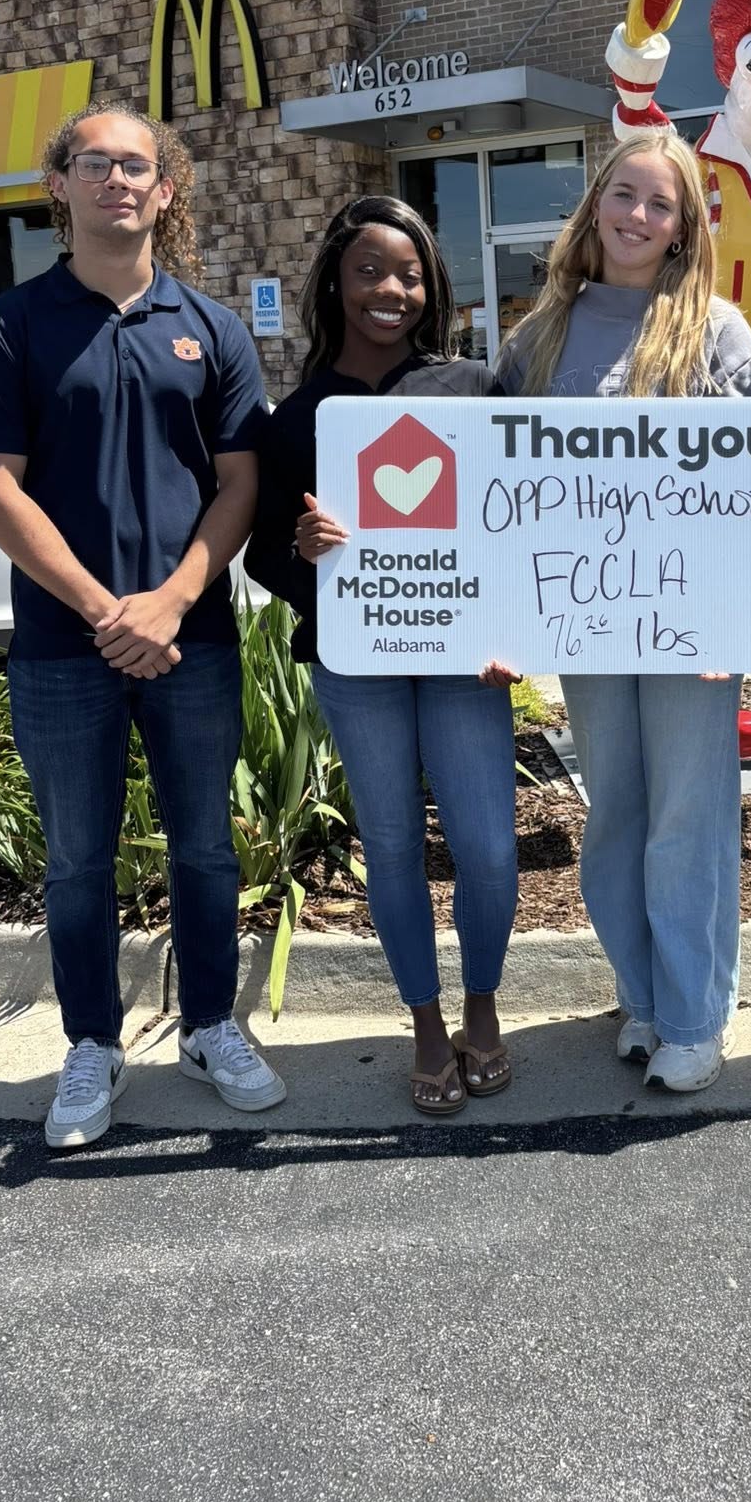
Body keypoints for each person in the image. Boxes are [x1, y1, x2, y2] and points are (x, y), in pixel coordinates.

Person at [0, 101, 284, 1150]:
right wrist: (108, 611)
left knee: (204, 851)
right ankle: (92, 1042)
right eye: (93, 163)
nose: (116, 181)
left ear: (165, 188)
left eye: (135, 165)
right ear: (60, 185)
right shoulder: (8, 325)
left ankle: (210, 1025)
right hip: (67, 648)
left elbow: (242, 481)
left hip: (193, 639)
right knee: (78, 860)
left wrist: (175, 597)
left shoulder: (214, 325)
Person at [496, 132, 751, 1093]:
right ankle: (643, 999)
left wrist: (739, 616)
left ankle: (697, 1014)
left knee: (689, 815)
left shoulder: (717, 332)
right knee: (616, 811)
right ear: (595, 204)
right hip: (587, 618)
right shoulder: (539, 336)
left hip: (696, 627)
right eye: (625, 195)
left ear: (686, 224)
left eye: (661, 204)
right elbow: (502, 488)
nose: (638, 217)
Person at [245, 197, 519, 1119]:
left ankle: (483, 1004)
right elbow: (263, 558)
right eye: (368, 271)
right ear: (334, 281)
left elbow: (521, 525)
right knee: (393, 847)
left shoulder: (474, 390)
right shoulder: (297, 418)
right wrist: (306, 550)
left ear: (430, 285)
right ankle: (427, 1022)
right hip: (355, 663)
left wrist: (513, 630)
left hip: (462, 661)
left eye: (407, 274)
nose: (389, 291)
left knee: (485, 847)